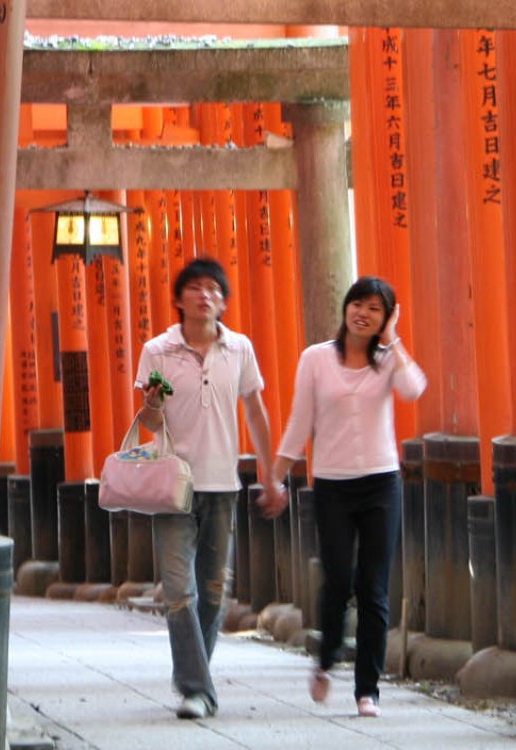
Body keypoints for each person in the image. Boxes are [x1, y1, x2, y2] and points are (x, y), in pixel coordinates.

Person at [266, 277, 426, 718]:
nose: (363, 313)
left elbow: (413, 389)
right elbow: (300, 422)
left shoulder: (387, 360)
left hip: (381, 483)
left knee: (374, 589)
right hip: (333, 486)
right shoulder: (316, 359)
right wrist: (276, 477)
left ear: (385, 317)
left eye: (375, 309)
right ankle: (325, 659)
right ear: (345, 307)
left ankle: (367, 689)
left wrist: (392, 340)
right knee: (338, 579)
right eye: (358, 303)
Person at [134, 258, 286, 720]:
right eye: (195, 288)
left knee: (214, 591)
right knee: (180, 590)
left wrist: (270, 471)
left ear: (223, 301)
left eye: (214, 290)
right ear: (179, 299)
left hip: (223, 484)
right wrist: (152, 404)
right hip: (173, 484)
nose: (205, 296)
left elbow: (256, 411)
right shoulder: (157, 350)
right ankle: (199, 690)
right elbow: (148, 423)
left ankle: (192, 681)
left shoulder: (239, 348)